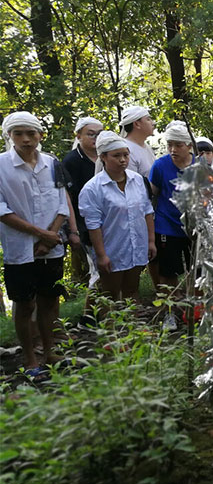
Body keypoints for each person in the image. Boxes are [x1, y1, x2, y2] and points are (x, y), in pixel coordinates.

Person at [0, 112, 70, 375]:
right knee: (24, 303)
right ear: (9, 135)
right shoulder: (1, 165)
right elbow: (2, 209)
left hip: (50, 247)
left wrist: (51, 236)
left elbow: (62, 202)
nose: (26, 139)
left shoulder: (52, 163)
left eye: (31, 133)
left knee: (49, 300)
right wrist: (40, 234)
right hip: (21, 247)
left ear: (41, 135)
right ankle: (29, 359)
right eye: (18, 133)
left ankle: (50, 351)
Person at [79, 131, 156, 301]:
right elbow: (93, 225)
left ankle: (133, 325)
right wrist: (101, 255)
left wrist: (150, 241)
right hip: (113, 248)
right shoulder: (93, 188)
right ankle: (111, 326)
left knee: (132, 289)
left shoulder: (137, 180)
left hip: (137, 245)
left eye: (126, 155)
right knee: (110, 294)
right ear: (103, 157)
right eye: (117, 156)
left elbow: (147, 211)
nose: (123, 160)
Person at [149, 120, 195, 328]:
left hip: (194, 228)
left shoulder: (200, 166)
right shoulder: (160, 166)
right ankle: (170, 312)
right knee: (168, 274)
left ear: (189, 146)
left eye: (178, 145)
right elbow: (153, 195)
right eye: (170, 145)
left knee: (197, 271)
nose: (173, 149)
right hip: (167, 226)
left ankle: (194, 310)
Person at [63, 117, 103, 284]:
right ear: (79, 136)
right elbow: (68, 198)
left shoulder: (106, 156)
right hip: (84, 224)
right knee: (97, 271)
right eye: (90, 134)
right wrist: (74, 230)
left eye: (99, 134)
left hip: (107, 222)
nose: (95, 138)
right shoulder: (71, 161)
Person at [119, 105, 157, 177]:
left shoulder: (147, 147)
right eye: (148, 119)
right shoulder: (126, 150)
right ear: (137, 124)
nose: (153, 123)